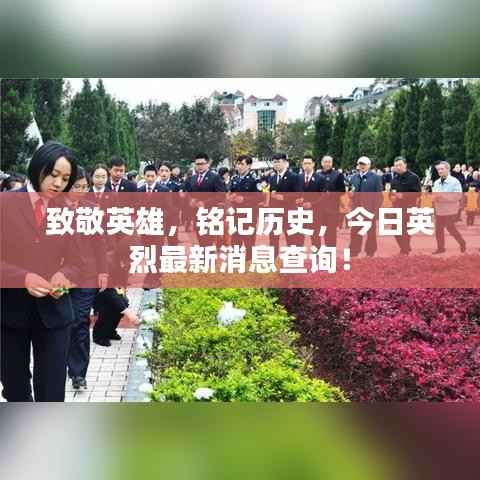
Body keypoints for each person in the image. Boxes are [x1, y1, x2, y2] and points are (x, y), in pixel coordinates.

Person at [0, 141, 83, 401]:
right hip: (9, 315)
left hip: (54, 314)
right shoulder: (5, 203)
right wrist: (23, 277)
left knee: (51, 394)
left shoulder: (67, 212)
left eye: (65, 179)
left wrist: (65, 276)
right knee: (16, 391)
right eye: (53, 174)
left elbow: (78, 262)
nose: (58, 184)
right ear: (38, 168)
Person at [66, 167, 109, 390]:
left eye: (84, 187)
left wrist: (103, 271)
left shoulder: (91, 209)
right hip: (60, 276)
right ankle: (63, 361)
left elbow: (100, 244)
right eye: (77, 187)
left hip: (87, 275)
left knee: (81, 320)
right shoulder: (53, 208)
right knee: (64, 322)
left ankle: (78, 373)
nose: (81, 191)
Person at [349, 156, 383, 257]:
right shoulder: (353, 177)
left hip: (369, 210)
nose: (362, 166)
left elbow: (379, 197)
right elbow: (351, 191)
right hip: (356, 210)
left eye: (364, 164)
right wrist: (351, 195)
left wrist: (375, 211)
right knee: (355, 230)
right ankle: (354, 250)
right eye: (360, 164)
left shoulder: (375, 178)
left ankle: (370, 251)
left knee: (371, 232)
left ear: (369, 165)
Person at [432, 161, 466, 254]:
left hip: (451, 210)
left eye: (442, 169)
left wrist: (443, 197)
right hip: (439, 210)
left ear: (448, 169)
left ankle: (462, 242)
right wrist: (434, 198)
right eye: (438, 169)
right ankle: (441, 248)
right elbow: (435, 195)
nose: (440, 171)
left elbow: (458, 196)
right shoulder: (436, 182)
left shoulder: (455, 182)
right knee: (438, 229)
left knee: (450, 228)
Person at [390, 156, 422, 255]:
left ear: (405, 165)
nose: (398, 167)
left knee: (405, 229)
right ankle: (405, 247)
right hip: (396, 208)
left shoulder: (413, 177)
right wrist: (391, 197)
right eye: (396, 165)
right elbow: (391, 192)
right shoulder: (394, 178)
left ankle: (404, 250)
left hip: (408, 207)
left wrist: (403, 196)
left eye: (400, 165)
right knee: (394, 229)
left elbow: (418, 193)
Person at [317, 155, 346, 247]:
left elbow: (342, 191)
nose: (327, 164)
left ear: (332, 163)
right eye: (325, 162)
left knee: (331, 230)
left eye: (329, 162)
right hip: (319, 208)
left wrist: (331, 194)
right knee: (320, 230)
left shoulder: (338, 175)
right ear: (322, 163)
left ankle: (331, 249)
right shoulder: (317, 175)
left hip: (332, 208)